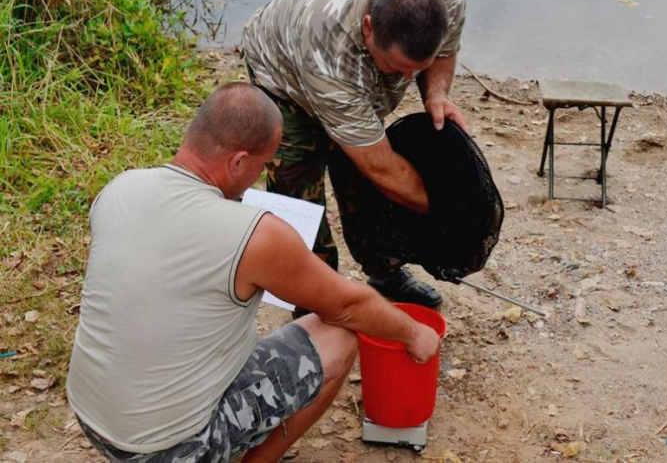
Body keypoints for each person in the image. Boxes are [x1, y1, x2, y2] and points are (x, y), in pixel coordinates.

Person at [66, 83, 441, 463]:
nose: (262, 174)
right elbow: (348, 306)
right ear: (238, 162)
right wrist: (414, 333)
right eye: (264, 165)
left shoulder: (119, 188)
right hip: (166, 450)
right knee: (339, 337)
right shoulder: (257, 234)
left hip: (92, 417)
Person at [242, 0, 467, 310]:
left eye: (416, 70)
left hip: (340, 65)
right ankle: (313, 293)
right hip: (283, 75)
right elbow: (379, 165)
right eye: (398, 69)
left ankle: (384, 270)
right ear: (367, 29)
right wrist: (445, 211)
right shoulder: (326, 47)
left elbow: (445, 51)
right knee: (297, 183)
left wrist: (436, 94)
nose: (409, 80)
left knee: (356, 178)